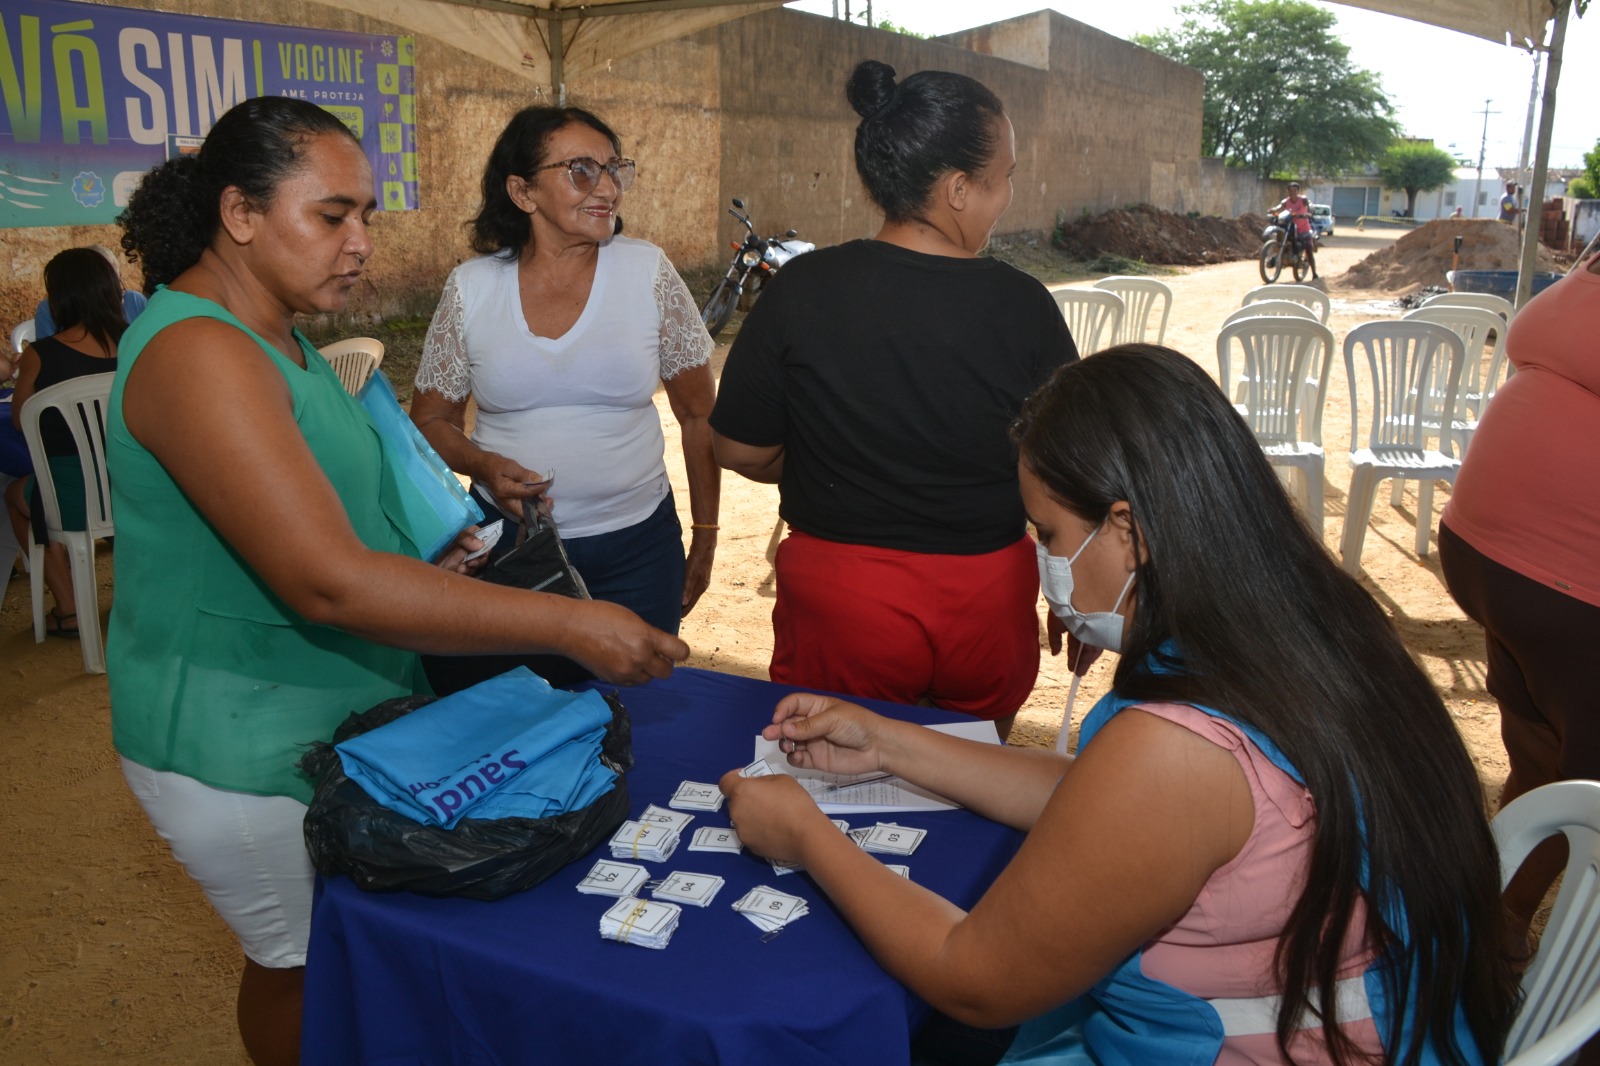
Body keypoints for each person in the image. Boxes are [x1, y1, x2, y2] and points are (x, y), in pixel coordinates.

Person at [721, 346, 1518, 1066]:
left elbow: (974, 979)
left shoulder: (1180, 751)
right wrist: (890, 743)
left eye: (1048, 532)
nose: (1042, 558)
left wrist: (804, 833)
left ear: (1127, 530)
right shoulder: (1302, 628)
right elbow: (1102, 801)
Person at [112, 96, 688, 1066]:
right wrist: (566, 625)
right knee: (304, 963)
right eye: (331, 215)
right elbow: (327, 583)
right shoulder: (198, 350)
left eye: (366, 216)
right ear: (240, 214)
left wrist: (432, 545)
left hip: (327, 706)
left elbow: (329, 515)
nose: (359, 243)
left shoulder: (276, 337)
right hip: (231, 734)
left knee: (355, 953)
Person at [710, 60, 1077, 739]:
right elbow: (1068, 466)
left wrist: (830, 461)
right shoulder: (1024, 306)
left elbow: (737, 446)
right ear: (960, 189)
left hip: (842, 603)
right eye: (1005, 178)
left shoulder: (803, 288)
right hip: (985, 600)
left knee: (833, 793)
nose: (1007, 197)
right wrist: (1073, 589)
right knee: (970, 790)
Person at [410, 105, 719, 693]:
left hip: (637, 550)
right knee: (501, 714)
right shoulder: (472, 289)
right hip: (505, 554)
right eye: (581, 170)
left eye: (614, 169)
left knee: (633, 719)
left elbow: (699, 412)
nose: (607, 188)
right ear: (523, 191)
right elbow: (430, 419)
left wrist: (705, 534)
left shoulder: (647, 272)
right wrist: (483, 465)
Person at [1439, 247, 1600, 1019]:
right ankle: (1541, 983)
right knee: (1585, 782)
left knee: (1543, 757)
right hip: (1566, 578)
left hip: (1495, 551)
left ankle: (1486, 932)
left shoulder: (1588, 279)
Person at [4, 247, 125, 636]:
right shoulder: (139, 342)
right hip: (134, 488)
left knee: (17, 496)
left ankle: (70, 608)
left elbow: (25, 422)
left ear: (58, 297)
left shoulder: (41, 354)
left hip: (74, 499)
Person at [33, 243, 147, 335]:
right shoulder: (50, 308)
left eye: (117, 281)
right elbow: (48, 357)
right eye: (106, 285)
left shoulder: (134, 300)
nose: (116, 292)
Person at [1271, 180, 1318, 279]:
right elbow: (1279, 207)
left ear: (1298, 191)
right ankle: (1277, 256)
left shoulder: (1303, 200)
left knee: (1308, 249)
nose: (1293, 192)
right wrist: (1273, 210)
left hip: (1304, 228)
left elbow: (1311, 206)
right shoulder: (1285, 201)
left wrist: (1309, 213)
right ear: (1287, 191)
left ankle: (1314, 273)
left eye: (1295, 190)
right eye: (1290, 190)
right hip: (1291, 228)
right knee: (1280, 237)